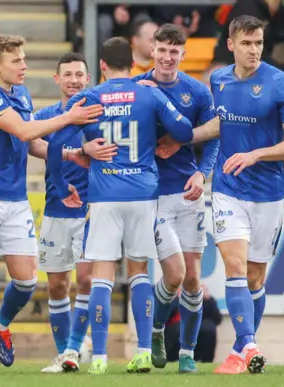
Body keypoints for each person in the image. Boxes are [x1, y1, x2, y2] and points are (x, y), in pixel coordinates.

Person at [157, 15, 284, 375]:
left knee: (256, 278)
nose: (254, 50)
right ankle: (252, 345)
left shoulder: (281, 84)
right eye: (246, 43)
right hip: (228, 190)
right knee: (235, 267)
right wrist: (183, 138)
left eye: (258, 43)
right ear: (231, 44)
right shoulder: (219, 80)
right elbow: (218, 124)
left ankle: (241, 350)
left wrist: (255, 154)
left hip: (268, 192)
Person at [47, 37, 195, 375]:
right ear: (133, 63)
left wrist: (63, 179)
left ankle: (99, 357)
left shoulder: (89, 97)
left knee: (101, 276)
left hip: (104, 195)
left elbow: (55, 141)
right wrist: (160, 129)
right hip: (142, 194)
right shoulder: (148, 91)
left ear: (100, 66)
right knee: (139, 271)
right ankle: (142, 351)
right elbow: (185, 131)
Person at [0, 35, 103, 375]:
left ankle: (2, 322)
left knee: (26, 281)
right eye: (16, 61)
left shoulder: (21, 94)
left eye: (24, 59)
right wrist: (69, 118)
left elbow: (32, 144)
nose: (24, 66)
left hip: (15, 199)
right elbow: (24, 131)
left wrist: (71, 154)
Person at [131, 23, 219, 373]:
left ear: (183, 54)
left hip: (188, 192)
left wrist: (202, 173)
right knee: (175, 275)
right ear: (152, 51)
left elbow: (214, 136)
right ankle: (156, 330)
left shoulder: (197, 92)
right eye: (162, 50)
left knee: (194, 278)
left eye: (174, 51)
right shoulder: (137, 89)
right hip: (152, 195)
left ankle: (186, 353)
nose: (168, 57)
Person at [34, 53, 117, 374]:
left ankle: (71, 350)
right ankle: (65, 353)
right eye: (67, 74)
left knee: (85, 279)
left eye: (79, 74)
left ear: (89, 79)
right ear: (57, 80)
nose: (73, 80)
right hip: (55, 209)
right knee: (56, 286)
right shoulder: (48, 117)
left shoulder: (101, 115)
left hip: (91, 210)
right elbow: (28, 142)